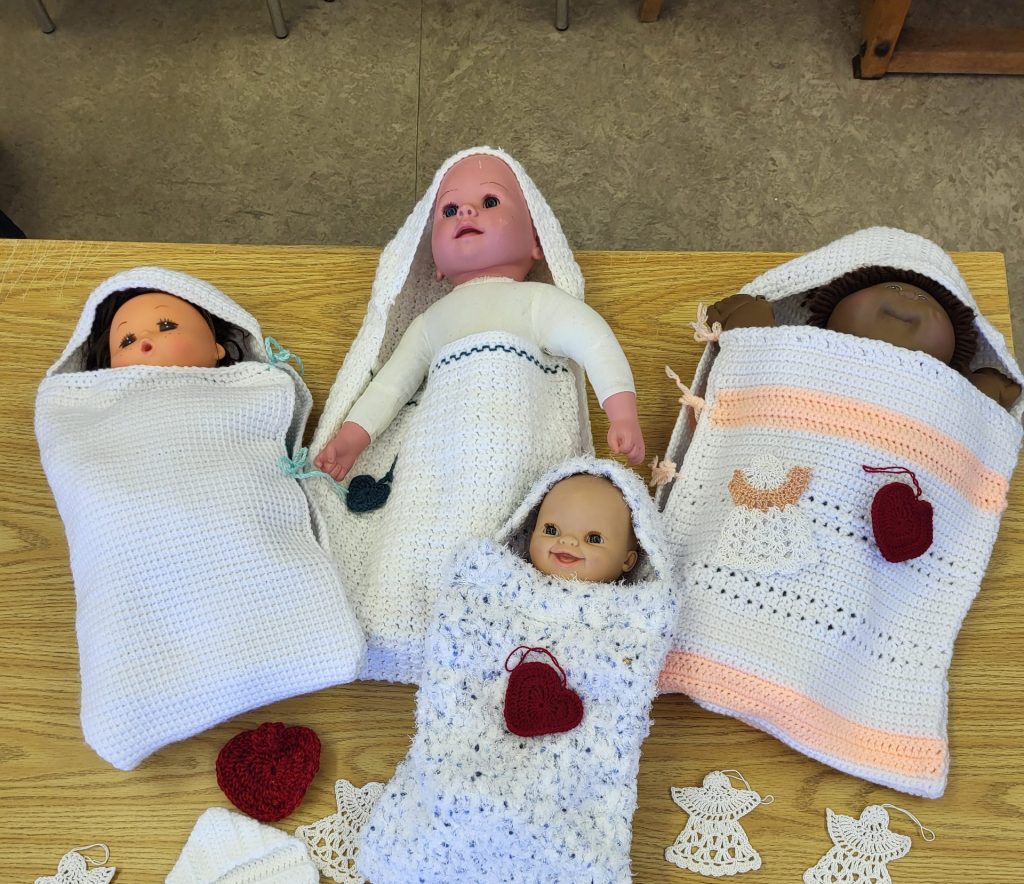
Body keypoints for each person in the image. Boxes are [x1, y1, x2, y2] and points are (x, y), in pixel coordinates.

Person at [314, 153, 644, 479]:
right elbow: (390, 385)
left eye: (489, 202)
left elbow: (594, 342)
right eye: (449, 210)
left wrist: (622, 413)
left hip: (526, 462)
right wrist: (351, 440)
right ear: (435, 262)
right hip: (444, 469)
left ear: (536, 241)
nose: (466, 212)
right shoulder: (431, 323)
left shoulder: (539, 303)